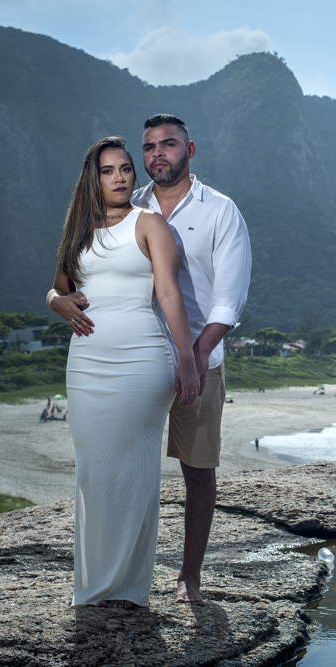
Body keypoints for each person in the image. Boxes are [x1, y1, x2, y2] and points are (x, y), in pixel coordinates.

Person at [53, 115, 251, 605]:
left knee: (196, 466)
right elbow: (79, 273)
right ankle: (113, 576)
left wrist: (196, 356)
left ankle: (189, 576)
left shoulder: (221, 212)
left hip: (195, 357)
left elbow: (229, 299)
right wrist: (54, 300)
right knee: (116, 466)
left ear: (191, 149)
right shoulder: (129, 206)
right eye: (149, 148)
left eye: (169, 144)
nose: (157, 154)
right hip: (130, 355)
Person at [46, 136, 199, 609]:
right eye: (108, 171)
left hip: (142, 362)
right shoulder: (78, 231)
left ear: (135, 175)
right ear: (94, 179)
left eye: (126, 169)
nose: (119, 178)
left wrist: (187, 358)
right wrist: (57, 303)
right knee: (94, 472)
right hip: (87, 365)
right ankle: (93, 589)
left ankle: (130, 591)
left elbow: (170, 294)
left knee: (134, 473)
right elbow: (56, 291)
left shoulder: (149, 223)